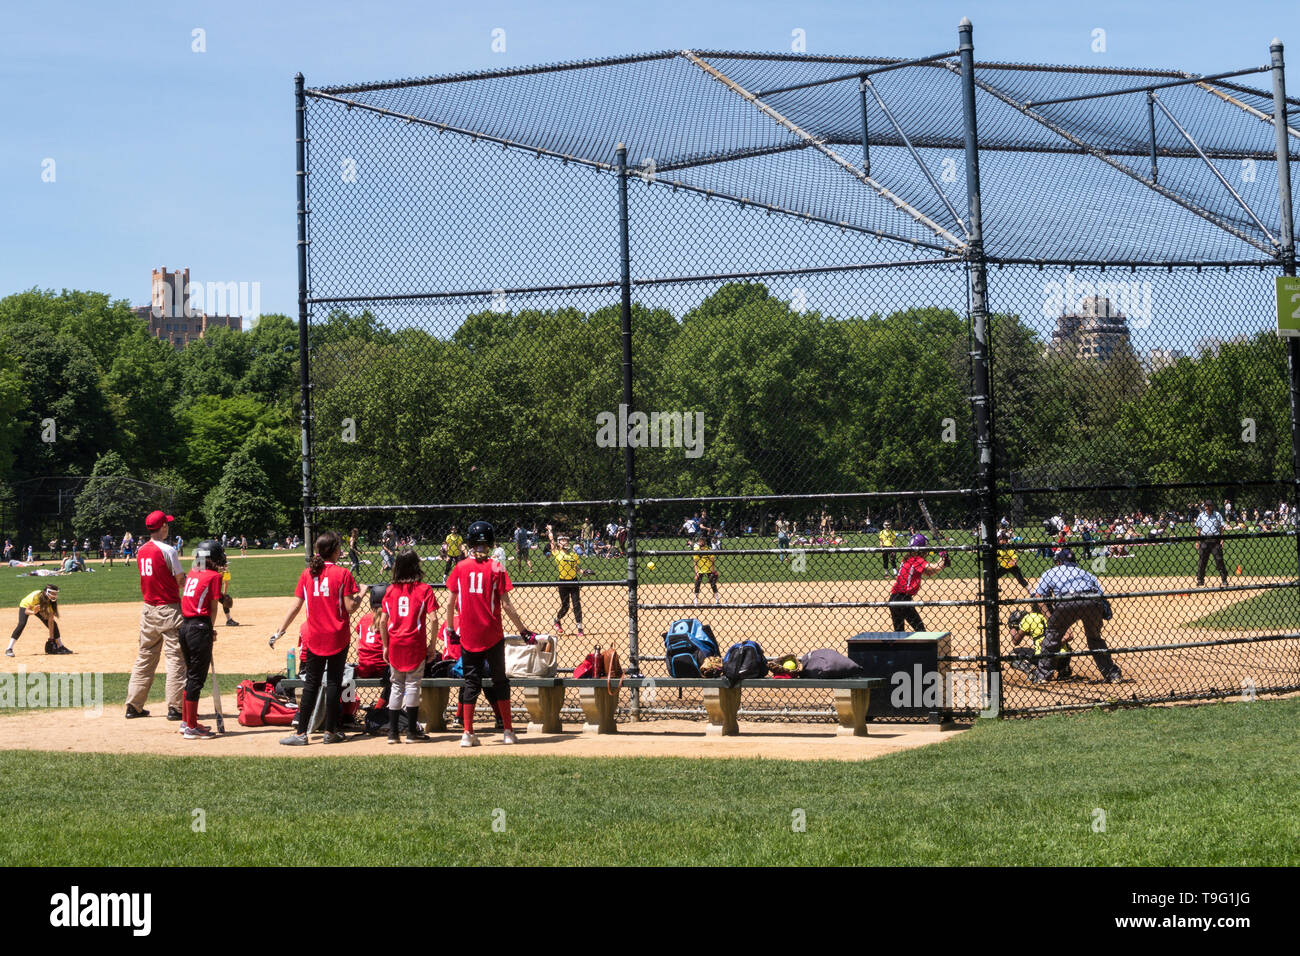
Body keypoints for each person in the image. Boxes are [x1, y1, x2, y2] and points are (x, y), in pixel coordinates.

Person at [444, 521, 536, 747]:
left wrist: (449, 629)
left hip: (468, 633)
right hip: (493, 633)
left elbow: (449, 604)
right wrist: (523, 631)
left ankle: (467, 733)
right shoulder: (497, 567)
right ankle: (507, 731)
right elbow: (506, 605)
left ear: (470, 543)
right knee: (499, 680)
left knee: (471, 682)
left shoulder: (460, 567)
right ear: (491, 543)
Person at [272, 531, 362, 745]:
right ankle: (330, 731)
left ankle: (301, 733)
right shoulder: (343, 574)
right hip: (337, 635)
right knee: (333, 683)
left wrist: (280, 630)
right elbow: (350, 608)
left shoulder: (307, 574)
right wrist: (362, 594)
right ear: (335, 551)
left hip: (314, 636)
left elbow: (296, 605)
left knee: (311, 684)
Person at [1028, 549, 1121, 684]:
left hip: (1067, 602)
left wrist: (1049, 618)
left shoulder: (1051, 572)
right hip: (1091, 601)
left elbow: (1038, 596)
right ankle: (1112, 675)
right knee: (1095, 638)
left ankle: (1043, 675)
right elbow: (1101, 595)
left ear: (1059, 562)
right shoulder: (1087, 574)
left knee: (1052, 636)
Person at [126, 511, 186, 721]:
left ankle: (133, 705)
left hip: (148, 609)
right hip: (168, 608)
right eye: (166, 525)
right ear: (162, 527)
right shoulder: (168, 550)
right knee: (176, 659)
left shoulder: (141, 550)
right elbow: (179, 580)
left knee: (145, 657)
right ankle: (175, 707)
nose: (168, 527)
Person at [378, 548, 439, 744]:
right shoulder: (424, 589)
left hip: (395, 642)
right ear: (416, 566)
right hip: (414, 643)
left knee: (396, 685)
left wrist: (385, 646)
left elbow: (382, 622)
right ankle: (411, 732)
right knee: (413, 684)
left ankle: (393, 733)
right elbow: (434, 619)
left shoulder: (390, 590)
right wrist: (432, 645)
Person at [176, 540, 227, 739]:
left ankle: (187, 721)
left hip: (185, 627)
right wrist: (211, 629)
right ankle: (191, 727)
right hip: (199, 628)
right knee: (197, 678)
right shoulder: (214, 576)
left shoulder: (193, 574)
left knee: (191, 675)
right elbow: (213, 608)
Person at [887, 534, 949, 632]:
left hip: (894, 599)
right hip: (903, 600)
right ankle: (923, 647)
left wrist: (943, 563)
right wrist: (943, 556)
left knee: (899, 632)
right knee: (920, 630)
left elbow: (929, 572)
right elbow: (935, 567)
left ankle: (898, 646)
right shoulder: (917, 560)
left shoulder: (907, 558)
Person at [355, 585, 393, 711]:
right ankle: (379, 708)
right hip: (383, 667)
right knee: (398, 678)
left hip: (363, 668)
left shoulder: (364, 619)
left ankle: (348, 711)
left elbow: (357, 649)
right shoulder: (389, 620)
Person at [1006, 608, 1072, 680]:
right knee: (1067, 647)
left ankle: (1034, 672)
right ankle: (1063, 668)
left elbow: (1015, 641)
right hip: (1063, 656)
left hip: (1043, 657)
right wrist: (1053, 643)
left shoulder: (1030, 618)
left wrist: (1013, 627)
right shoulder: (1056, 614)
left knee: (1012, 655)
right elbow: (1069, 636)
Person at [7, 585, 70, 656]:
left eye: (56, 593)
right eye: (53, 593)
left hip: (39, 607)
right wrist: (34, 612)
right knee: (22, 624)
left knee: (54, 624)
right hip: (26, 605)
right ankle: (9, 649)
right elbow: (27, 611)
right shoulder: (36, 596)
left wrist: (51, 639)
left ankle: (60, 646)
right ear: (47, 592)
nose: (54, 595)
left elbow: (50, 621)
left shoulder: (50, 601)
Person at [547, 524, 584, 638]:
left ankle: (580, 628)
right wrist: (550, 531)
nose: (565, 542)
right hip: (563, 582)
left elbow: (576, 567)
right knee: (566, 606)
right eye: (562, 541)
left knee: (576, 604)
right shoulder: (557, 553)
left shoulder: (573, 554)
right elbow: (552, 542)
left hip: (574, 581)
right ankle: (557, 620)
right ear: (559, 543)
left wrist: (582, 571)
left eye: (566, 541)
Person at [1194, 499, 1228, 588]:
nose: (1208, 507)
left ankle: (1224, 579)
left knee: (1219, 560)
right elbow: (1198, 529)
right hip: (1204, 541)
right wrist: (1197, 541)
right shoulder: (1201, 516)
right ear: (1204, 506)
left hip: (1215, 540)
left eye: (1209, 505)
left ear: (1212, 506)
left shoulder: (1217, 515)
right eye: (1206, 506)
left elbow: (1221, 528)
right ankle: (1200, 580)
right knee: (1202, 561)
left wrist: (1222, 540)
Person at [692, 532, 720, 606]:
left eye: (702, 541)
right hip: (700, 569)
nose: (701, 542)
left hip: (709, 569)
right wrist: (696, 573)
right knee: (697, 584)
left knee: (713, 584)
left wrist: (713, 570)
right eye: (700, 541)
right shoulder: (697, 550)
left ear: (704, 541)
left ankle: (717, 600)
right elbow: (695, 562)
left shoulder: (709, 549)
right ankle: (695, 600)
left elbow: (713, 561)